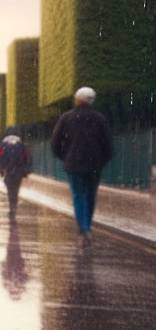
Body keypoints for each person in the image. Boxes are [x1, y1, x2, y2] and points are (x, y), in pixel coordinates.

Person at [51, 86, 113, 248]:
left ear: (77, 100)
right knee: (90, 196)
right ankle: (87, 226)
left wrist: (65, 158)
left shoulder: (66, 117)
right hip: (94, 164)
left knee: (78, 195)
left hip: (74, 163)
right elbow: (108, 145)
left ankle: (83, 229)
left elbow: (55, 143)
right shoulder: (100, 118)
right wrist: (101, 161)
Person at [0, 126, 31, 217]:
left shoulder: (3, 144)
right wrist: (26, 169)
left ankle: (11, 207)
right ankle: (14, 206)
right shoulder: (21, 144)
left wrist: (0, 169)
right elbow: (27, 158)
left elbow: (0, 158)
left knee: (10, 189)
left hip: (8, 169)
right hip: (18, 169)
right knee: (15, 189)